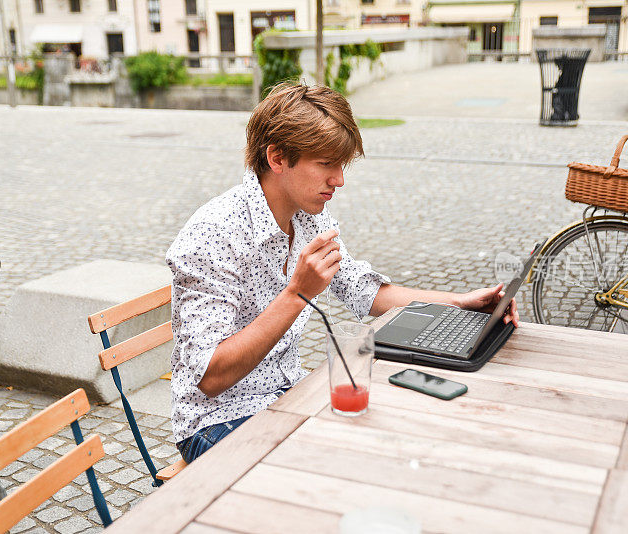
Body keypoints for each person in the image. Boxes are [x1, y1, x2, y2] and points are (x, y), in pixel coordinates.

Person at [166, 82, 519, 464]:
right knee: (348, 465)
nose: (339, 180)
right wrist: (297, 294)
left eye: (342, 164)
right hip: (217, 421)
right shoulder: (214, 233)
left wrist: (461, 303)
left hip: (289, 394)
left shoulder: (308, 218)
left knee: (410, 431)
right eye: (326, 164)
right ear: (278, 157)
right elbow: (211, 377)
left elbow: (366, 292)